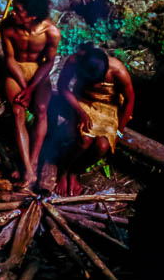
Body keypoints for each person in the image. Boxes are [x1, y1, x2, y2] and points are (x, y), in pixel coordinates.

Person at [0, 0, 60, 189]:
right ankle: (28, 170)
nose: (12, 12)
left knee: (42, 109)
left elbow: (49, 62)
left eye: (18, 10)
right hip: (15, 71)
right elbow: (9, 59)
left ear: (32, 16)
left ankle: (33, 161)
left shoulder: (50, 32)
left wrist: (31, 88)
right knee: (18, 112)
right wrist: (23, 86)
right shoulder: (7, 27)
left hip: (37, 72)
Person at [56, 43, 135, 196]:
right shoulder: (75, 61)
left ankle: (76, 172)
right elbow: (63, 87)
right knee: (84, 139)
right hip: (83, 101)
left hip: (109, 107)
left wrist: (119, 132)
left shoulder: (118, 71)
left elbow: (129, 101)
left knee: (103, 146)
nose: (97, 84)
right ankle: (64, 170)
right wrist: (80, 113)